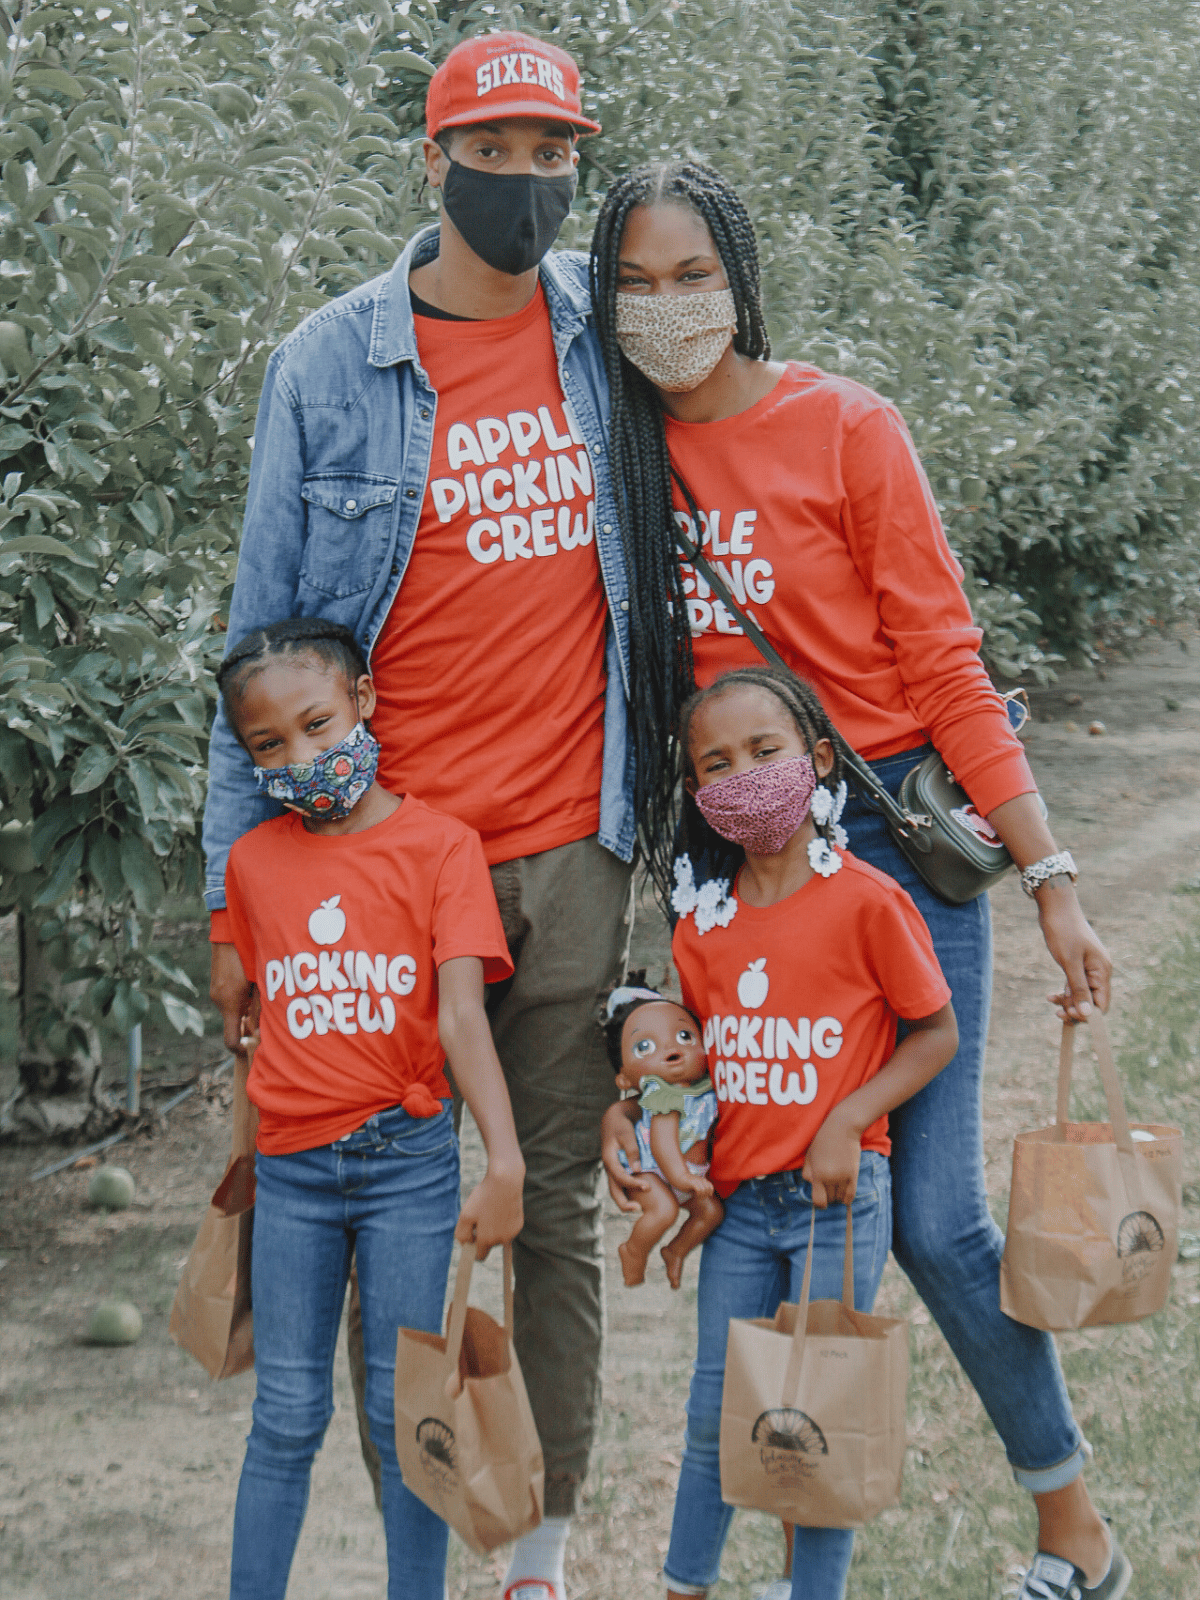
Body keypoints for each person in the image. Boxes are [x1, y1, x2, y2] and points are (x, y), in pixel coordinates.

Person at [592, 162, 1131, 1600]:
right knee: (764, 1201)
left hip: (887, 849)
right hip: (739, 865)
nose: (666, 308)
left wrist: (1050, 874)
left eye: (690, 274)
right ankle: (789, 1554)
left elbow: (947, 664)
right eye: (633, 284)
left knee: (929, 1215)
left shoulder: (845, 428)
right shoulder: (620, 459)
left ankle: (1071, 1518)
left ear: (742, 275)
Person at [203, 34, 633, 1600]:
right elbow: (261, 640)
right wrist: (225, 901)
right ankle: (445, 1541)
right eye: (494, 151)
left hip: (569, 850)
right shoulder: (332, 364)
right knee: (405, 1216)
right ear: (433, 158)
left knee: (554, 1214)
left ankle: (544, 1550)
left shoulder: (604, 338)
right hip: (382, 872)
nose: (525, 183)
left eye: (550, 153)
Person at [618, 666, 957, 1600]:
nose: (745, 776)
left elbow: (936, 1031)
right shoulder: (701, 927)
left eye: (765, 753)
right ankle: (684, 1584)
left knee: (816, 1416)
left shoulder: (868, 902)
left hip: (835, 1209)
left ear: (814, 761)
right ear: (699, 796)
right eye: (718, 765)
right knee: (716, 1409)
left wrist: (851, 1118)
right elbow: (686, 1065)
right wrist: (643, 1121)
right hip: (736, 1210)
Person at [214, 618, 524, 1600]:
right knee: (288, 1414)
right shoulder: (254, 866)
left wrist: (504, 1160)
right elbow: (253, 1018)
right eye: (270, 744)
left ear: (363, 704)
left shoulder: (442, 849)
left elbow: (466, 1019)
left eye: (316, 724)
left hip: (409, 1168)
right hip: (294, 1172)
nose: (301, 755)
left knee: (405, 1412)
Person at [602, 984, 723, 1288]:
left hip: (687, 1173)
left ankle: (676, 1250)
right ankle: (633, 1249)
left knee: (710, 1213)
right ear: (624, 1078)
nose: (672, 1051)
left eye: (684, 1036)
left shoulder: (705, 1088)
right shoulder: (664, 1095)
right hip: (652, 1168)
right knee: (664, 1210)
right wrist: (682, 1179)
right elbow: (662, 1142)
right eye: (644, 1047)